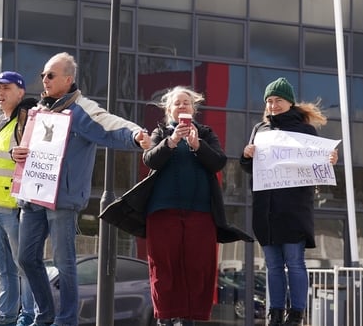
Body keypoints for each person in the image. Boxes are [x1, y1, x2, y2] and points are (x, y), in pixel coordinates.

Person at [13, 52, 152, 326]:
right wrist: (15, 151)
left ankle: (66, 321)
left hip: (62, 200)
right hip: (32, 197)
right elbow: (23, 145)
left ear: (68, 79)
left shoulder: (81, 109)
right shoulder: (37, 112)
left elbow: (110, 123)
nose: (44, 79)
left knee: (65, 264)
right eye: (43, 75)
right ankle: (46, 314)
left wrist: (136, 134)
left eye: (50, 75)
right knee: (26, 259)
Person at [102, 87, 252, 326]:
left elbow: (218, 162)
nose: (182, 106)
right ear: (168, 110)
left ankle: (188, 319)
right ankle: (165, 319)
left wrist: (197, 144)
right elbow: (150, 159)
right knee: (164, 267)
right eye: (177, 103)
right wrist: (171, 142)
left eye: (187, 103)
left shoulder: (205, 134)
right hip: (163, 212)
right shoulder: (160, 133)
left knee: (197, 266)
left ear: (193, 109)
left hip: (200, 214)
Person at [240, 77, 338, 326]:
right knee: (272, 264)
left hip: (293, 208)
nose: (273, 105)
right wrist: (246, 155)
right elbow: (249, 168)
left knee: (294, 261)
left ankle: (296, 313)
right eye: (269, 101)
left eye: (278, 100)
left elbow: (317, 166)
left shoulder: (305, 131)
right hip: (266, 208)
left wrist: (329, 159)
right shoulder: (259, 130)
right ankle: (274, 312)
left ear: (290, 102)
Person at [0, 71, 38, 326]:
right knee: (2, 270)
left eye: (6, 88)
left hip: (15, 208)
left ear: (21, 92)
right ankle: (5, 317)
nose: (0, 94)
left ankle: (27, 316)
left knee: (24, 266)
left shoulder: (25, 121)